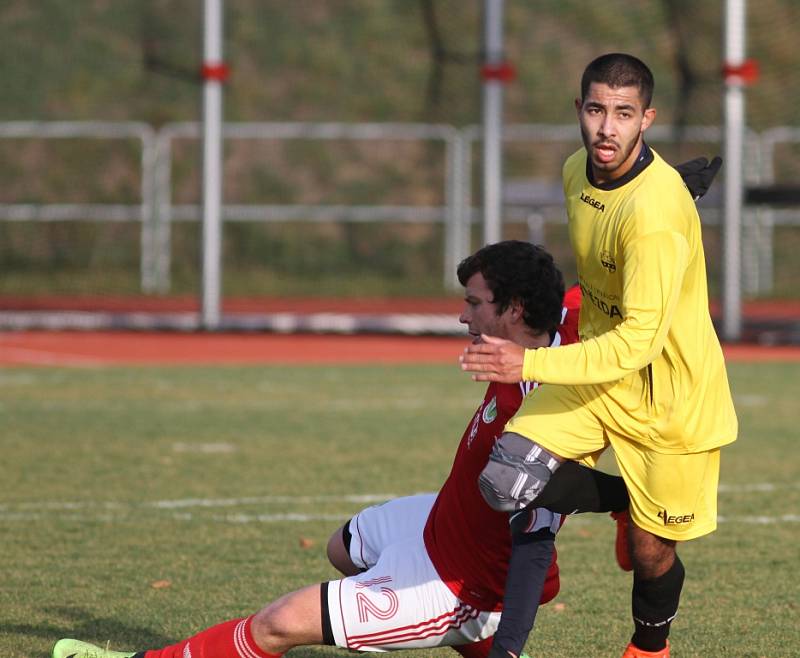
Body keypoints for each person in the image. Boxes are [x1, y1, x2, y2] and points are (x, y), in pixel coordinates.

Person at [52, 240, 631, 658]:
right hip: (440, 522)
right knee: (344, 547)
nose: (463, 313)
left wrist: (509, 642)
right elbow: (621, 260)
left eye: (475, 302)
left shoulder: (548, 415)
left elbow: (534, 534)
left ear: (514, 311)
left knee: (279, 623)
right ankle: (468, 633)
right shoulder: (567, 319)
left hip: (466, 580)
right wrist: (671, 192)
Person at [460, 53, 737, 658]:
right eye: (596, 110)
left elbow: (639, 340)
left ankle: (648, 648)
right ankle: (624, 501)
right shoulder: (574, 173)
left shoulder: (657, 217)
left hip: (670, 398)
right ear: (579, 111)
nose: (607, 129)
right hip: (600, 376)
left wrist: (526, 362)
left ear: (647, 119)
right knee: (508, 479)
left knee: (651, 552)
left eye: (624, 114)